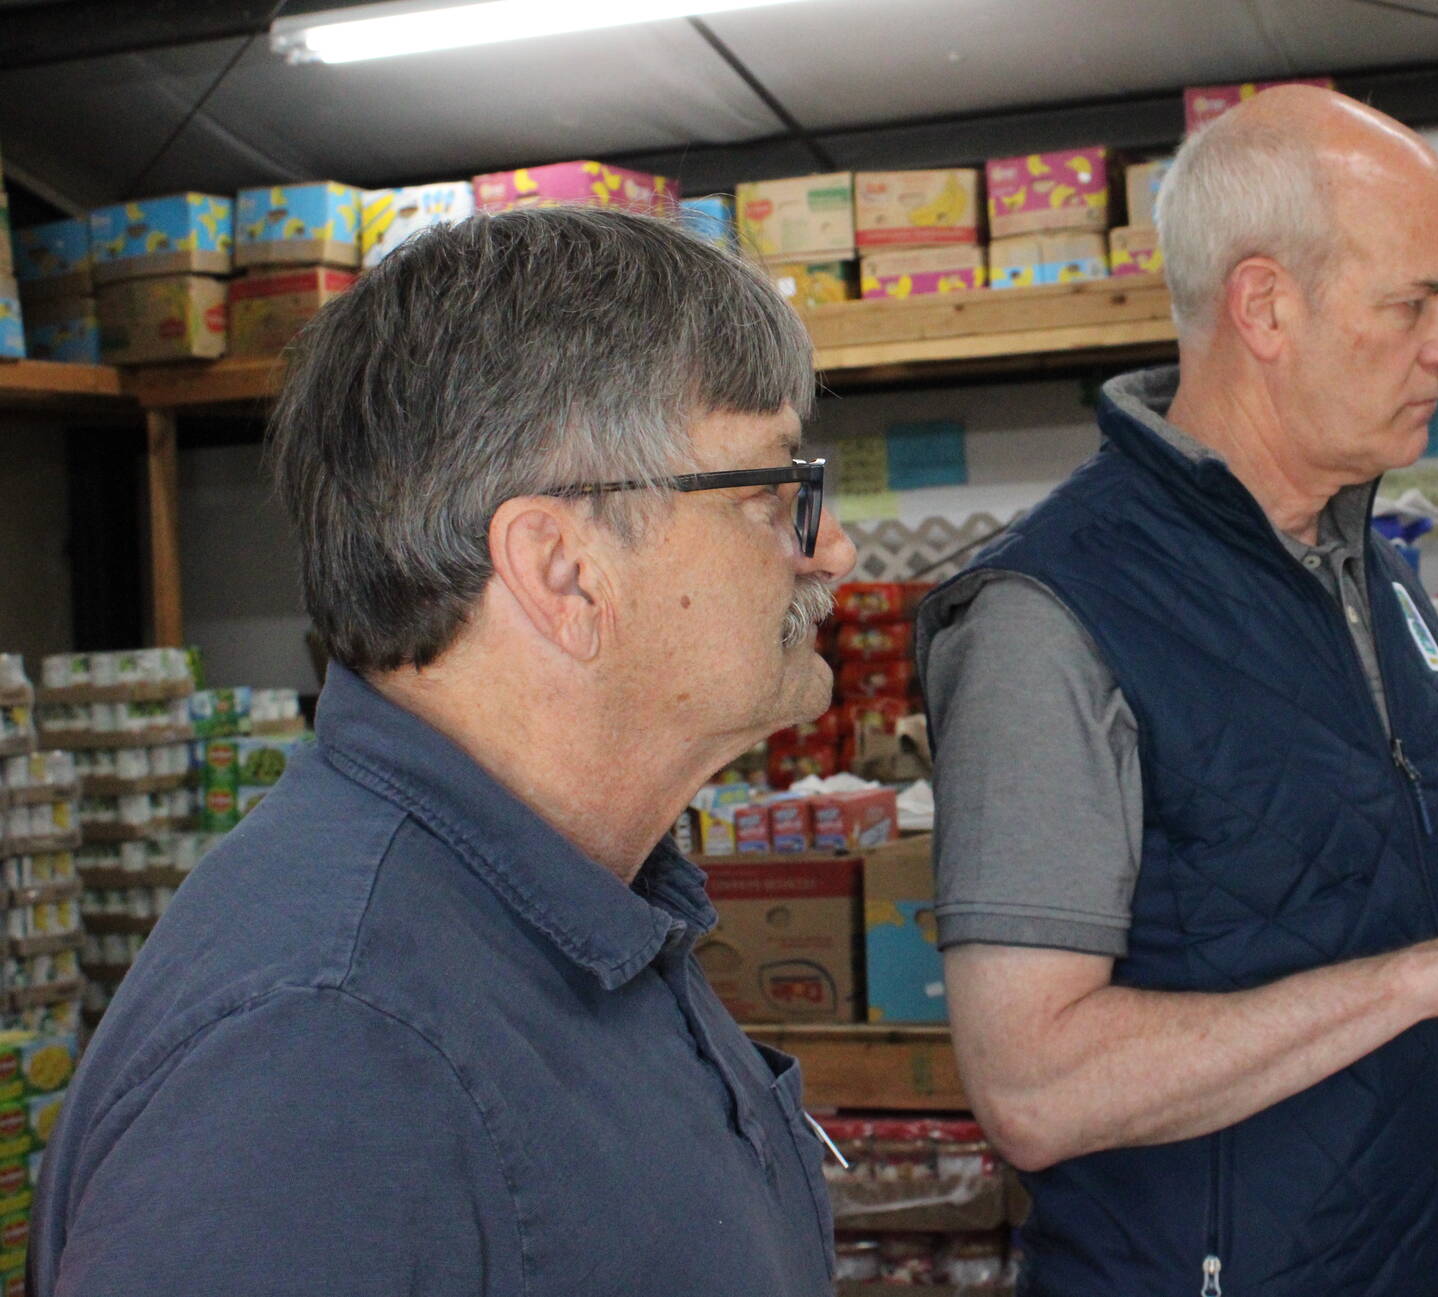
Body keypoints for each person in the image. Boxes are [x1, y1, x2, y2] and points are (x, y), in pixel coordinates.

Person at [916, 87, 1438, 1296]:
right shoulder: (1051, 616)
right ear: (1263, 305)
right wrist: (1426, 972)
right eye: (1413, 301)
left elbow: (1369, 982)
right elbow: (1035, 1087)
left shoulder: (1378, 578)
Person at [33, 208, 855, 1295]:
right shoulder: (320, 1055)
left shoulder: (566, 902)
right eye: (771, 496)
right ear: (561, 571)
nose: (829, 550)